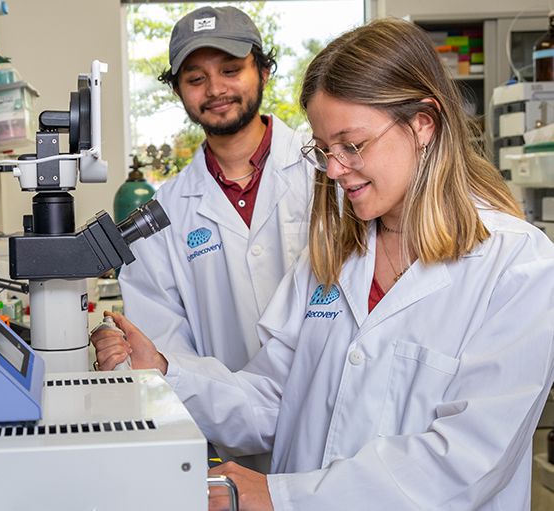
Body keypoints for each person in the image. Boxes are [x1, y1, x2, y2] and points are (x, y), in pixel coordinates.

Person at [93, 18, 554, 510]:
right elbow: (274, 400)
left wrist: (283, 495)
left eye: (352, 146)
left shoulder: (516, 265)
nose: (333, 169)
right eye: (324, 149)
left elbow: (466, 461)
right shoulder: (335, 255)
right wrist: (165, 370)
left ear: (424, 123)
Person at [117, 5, 314, 469]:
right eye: (196, 78)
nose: (216, 90)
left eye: (230, 69)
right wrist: (228, 408)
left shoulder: (325, 173)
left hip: (340, 433)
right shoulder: (161, 215)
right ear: (178, 89)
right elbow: (163, 348)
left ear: (263, 70)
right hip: (234, 451)